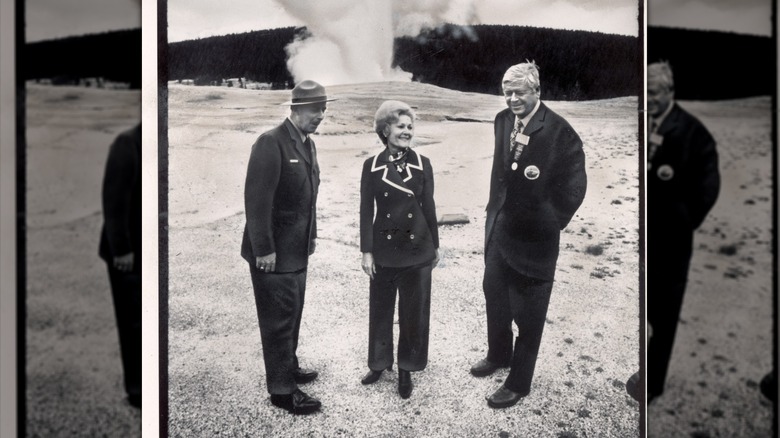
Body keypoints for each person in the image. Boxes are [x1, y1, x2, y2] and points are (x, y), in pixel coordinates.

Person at [471, 61, 587, 409]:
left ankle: (518, 382)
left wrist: (547, 222)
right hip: (500, 231)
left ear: (537, 90)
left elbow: (574, 189)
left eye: (519, 92)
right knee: (494, 295)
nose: (511, 99)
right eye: (506, 92)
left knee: (529, 315)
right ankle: (498, 354)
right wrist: (495, 214)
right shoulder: (502, 120)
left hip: (535, 242)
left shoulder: (560, 131)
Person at [240, 80, 334, 415]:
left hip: (296, 251)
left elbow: (309, 199)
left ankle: (288, 366)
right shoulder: (271, 142)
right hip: (273, 254)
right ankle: (281, 390)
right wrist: (263, 249)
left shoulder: (308, 143)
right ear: (296, 109)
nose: (320, 115)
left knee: (292, 314)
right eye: (315, 109)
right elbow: (256, 202)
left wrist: (311, 237)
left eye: (323, 109)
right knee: (277, 322)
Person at [646, 61, 720, 402]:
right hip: (644, 238)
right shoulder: (643, 123)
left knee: (664, 316)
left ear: (670, 91)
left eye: (653, 93)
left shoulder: (693, 132)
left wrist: (682, 220)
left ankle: (652, 383)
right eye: (644, 92)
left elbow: (708, 187)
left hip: (671, 243)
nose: (648, 99)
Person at [359, 100, 440, 399]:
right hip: (384, 248)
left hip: (417, 248)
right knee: (380, 308)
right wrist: (366, 251)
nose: (407, 131)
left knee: (413, 312)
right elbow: (365, 211)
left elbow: (429, 207)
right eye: (400, 126)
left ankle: (406, 368)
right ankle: (379, 363)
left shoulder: (423, 163)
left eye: (410, 126)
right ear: (385, 130)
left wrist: (435, 245)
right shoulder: (371, 166)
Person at [99, 123, 142, 408]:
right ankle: (137, 389)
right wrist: (122, 249)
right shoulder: (128, 143)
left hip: (146, 248)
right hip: (128, 254)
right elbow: (114, 201)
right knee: (132, 323)